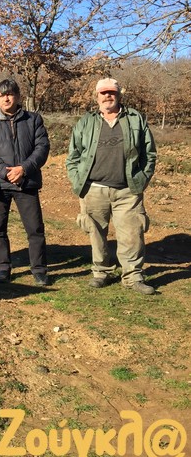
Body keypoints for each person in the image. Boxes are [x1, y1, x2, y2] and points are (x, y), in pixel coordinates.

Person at [66, 77, 157, 295]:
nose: (108, 96)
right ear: (97, 96)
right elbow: (73, 156)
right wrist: (78, 180)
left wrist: (142, 179)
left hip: (127, 190)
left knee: (132, 234)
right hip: (94, 188)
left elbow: (149, 153)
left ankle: (133, 276)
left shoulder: (135, 120)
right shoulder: (86, 122)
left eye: (112, 93)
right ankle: (101, 272)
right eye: (103, 93)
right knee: (96, 233)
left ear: (119, 95)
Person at [0, 79, 50, 285]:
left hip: (26, 183)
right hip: (0, 184)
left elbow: (42, 148)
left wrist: (24, 169)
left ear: (18, 97)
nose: (6, 98)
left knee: (35, 229)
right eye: (2, 95)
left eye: (10, 94)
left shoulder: (33, 119)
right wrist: (3, 171)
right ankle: (3, 268)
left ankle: (38, 269)